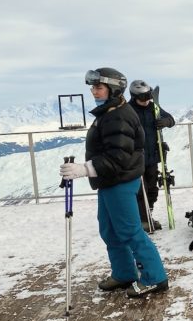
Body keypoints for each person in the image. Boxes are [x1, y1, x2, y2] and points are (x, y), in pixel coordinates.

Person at [59, 67, 168, 298]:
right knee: (110, 230)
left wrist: (83, 169)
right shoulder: (109, 112)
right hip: (108, 181)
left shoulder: (119, 116)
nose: (93, 91)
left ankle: (155, 277)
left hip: (120, 180)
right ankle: (125, 272)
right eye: (93, 87)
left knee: (130, 231)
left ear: (113, 89)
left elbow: (118, 157)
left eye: (98, 87)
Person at [128, 80, 175, 231]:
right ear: (134, 96)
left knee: (152, 189)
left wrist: (164, 121)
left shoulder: (153, 108)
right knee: (141, 191)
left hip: (153, 156)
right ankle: (142, 220)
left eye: (148, 96)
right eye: (143, 97)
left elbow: (171, 120)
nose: (146, 100)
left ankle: (148, 215)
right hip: (136, 158)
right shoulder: (128, 110)